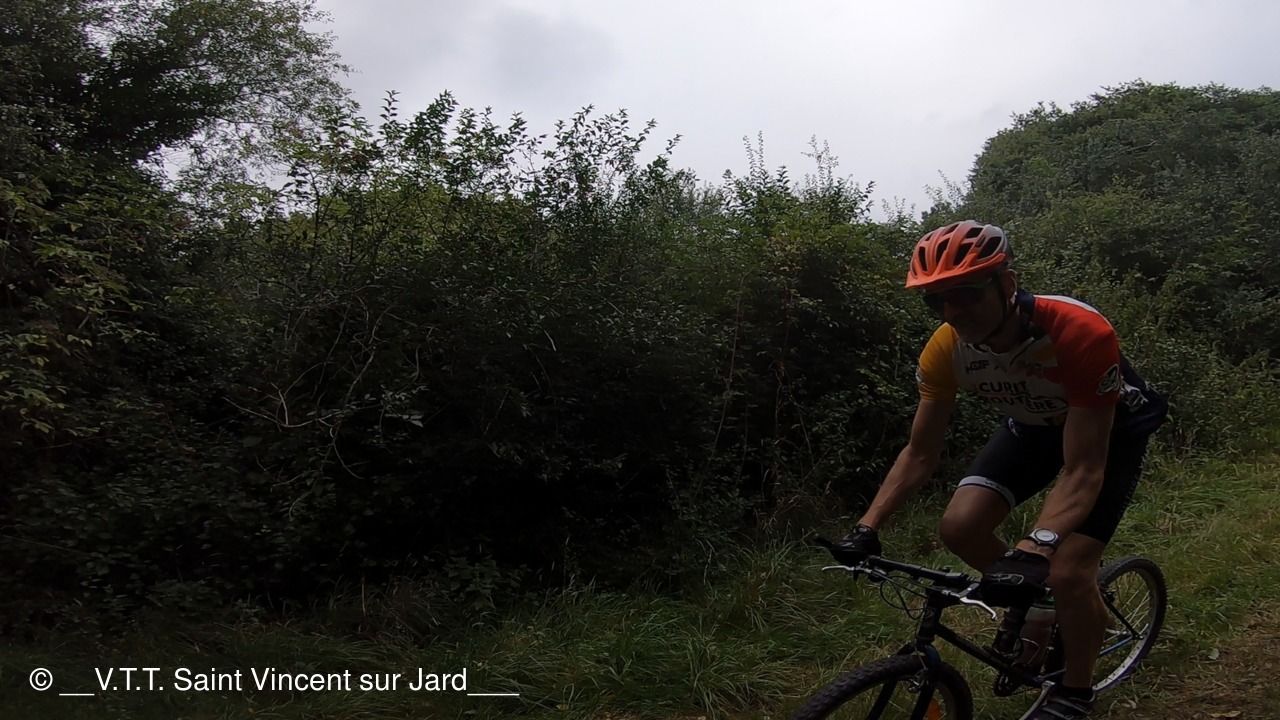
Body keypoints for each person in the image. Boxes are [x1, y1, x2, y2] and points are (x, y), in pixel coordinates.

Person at [832, 220, 1167, 720]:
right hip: (1033, 426)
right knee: (959, 527)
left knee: (1070, 569)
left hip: (1109, 432)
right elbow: (920, 452)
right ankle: (1045, 606)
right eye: (937, 301)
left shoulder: (1077, 331)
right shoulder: (945, 349)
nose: (952, 312)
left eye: (966, 294)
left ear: (1007, 284)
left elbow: (1082, 469)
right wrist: (867, 527)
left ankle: (1075, 692)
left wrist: (1036, 547)